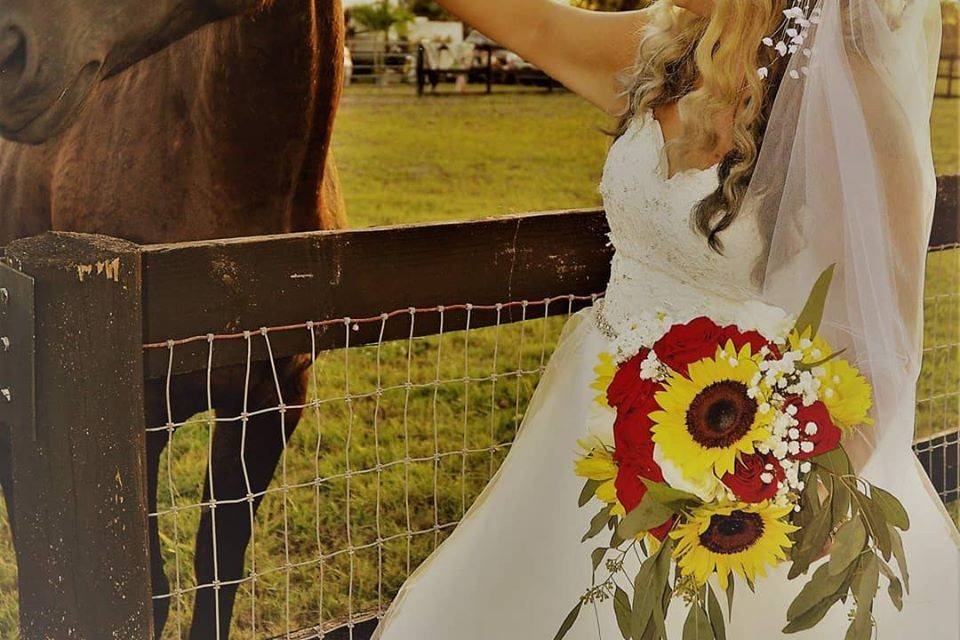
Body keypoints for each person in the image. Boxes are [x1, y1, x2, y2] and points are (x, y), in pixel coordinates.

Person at [373, 1, 960, 638]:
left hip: (732, 451)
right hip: (590, 422)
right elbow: (533, 22)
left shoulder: (850, 98)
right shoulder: (663, 46)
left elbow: (881, 333)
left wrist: (802, 488)